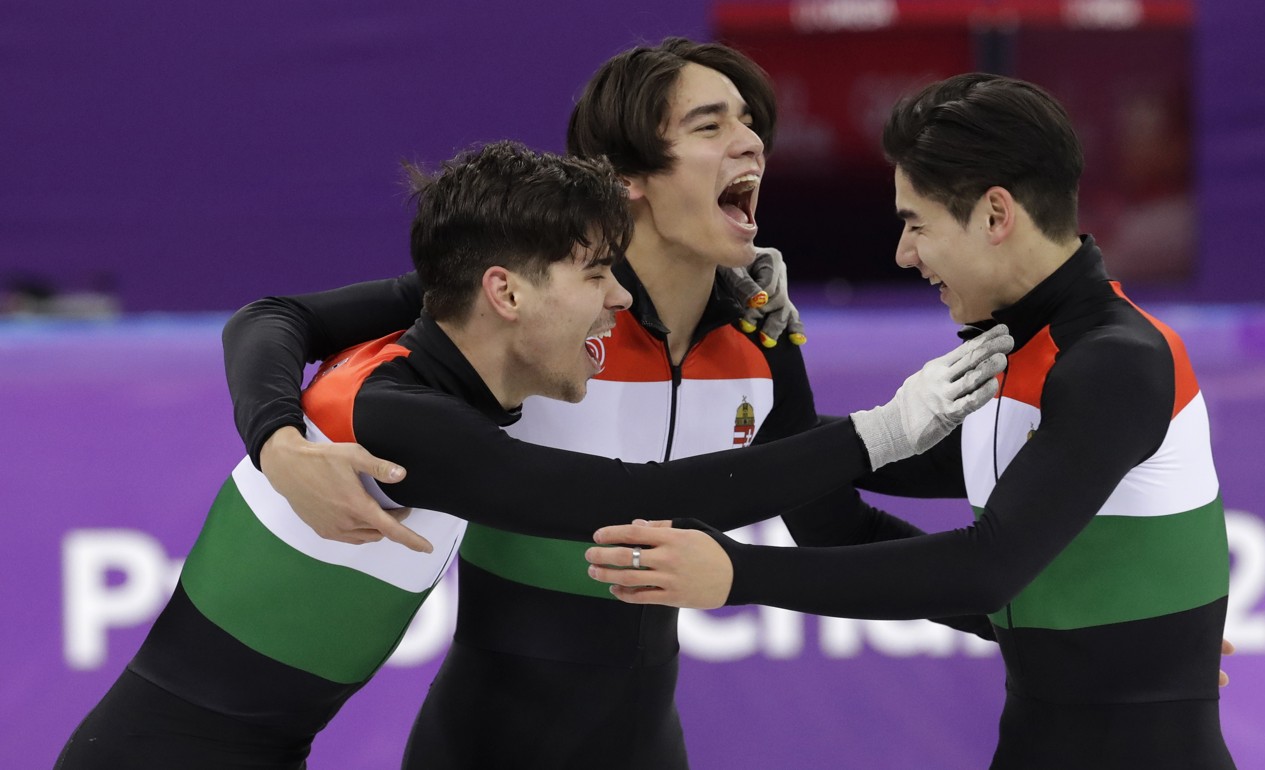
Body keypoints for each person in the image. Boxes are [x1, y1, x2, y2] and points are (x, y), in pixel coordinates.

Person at [56, 139, 1007, 770]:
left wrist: (727, 286)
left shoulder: (438, 330)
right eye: (597, 275)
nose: (620, 301)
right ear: (507, 295)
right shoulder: (400, 422)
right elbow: (655, 493)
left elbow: (272, 314)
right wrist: (880, 429)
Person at [586, 73, 1235, 769]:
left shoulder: (1115, 362)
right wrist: (764, 353)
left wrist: (739, 572)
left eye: (914, 223)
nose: (903, 254)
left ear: (994, 216)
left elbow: (985, 570)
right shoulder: (1015, 354)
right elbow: (841, 500)